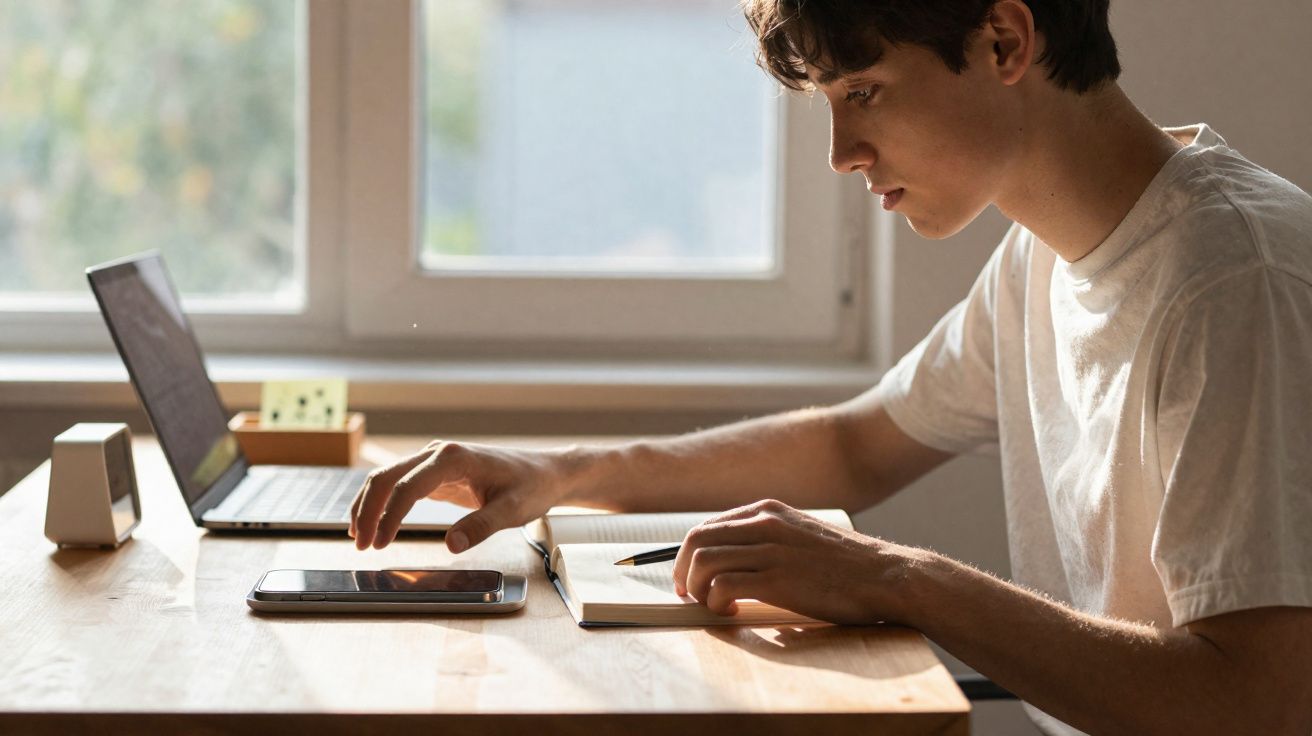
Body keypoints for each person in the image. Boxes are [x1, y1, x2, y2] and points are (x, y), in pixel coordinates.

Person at [348, 1, 1312, 732]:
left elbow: (1256, 702)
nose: (841, 153)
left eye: (863, 93)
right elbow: (857, 447)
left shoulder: (1233, 280)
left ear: (1004, 43)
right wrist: (564, 473)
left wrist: (899, 579)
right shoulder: (1044, 257)